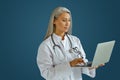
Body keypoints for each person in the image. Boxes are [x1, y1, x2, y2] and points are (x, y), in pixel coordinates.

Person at [37, 7, 104, 80]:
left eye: (69, 20)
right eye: (64, 20)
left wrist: (90, 66)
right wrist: (70, 64)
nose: (67, 24)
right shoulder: (46, 45)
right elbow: (47, 74)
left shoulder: (75, 40)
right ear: (54, 21)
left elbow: (82, 63)